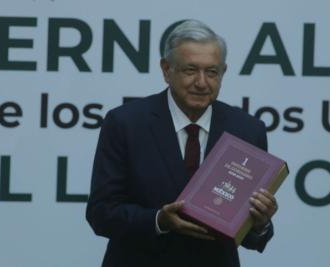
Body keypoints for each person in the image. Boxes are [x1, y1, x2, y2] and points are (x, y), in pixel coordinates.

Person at [86, 19, 278, 267]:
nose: (201, 82)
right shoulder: (125, 123)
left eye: (211, 72)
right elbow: (101, 213)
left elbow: (251, 238)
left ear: (223, 73)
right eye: (190, 70)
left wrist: (260, 222)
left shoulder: (247, 130)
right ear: (166, 70)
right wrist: (158, 220)